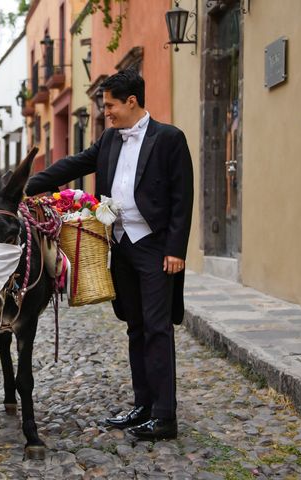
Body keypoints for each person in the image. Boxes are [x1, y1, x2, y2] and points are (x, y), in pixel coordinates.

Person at [25, 69, 194, 441]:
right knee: (135, 326)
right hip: (121, 244)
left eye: (111, 106)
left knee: (157, 328)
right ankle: (143, 406)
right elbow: (72, 165)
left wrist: (175, 250)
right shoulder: (109, 140)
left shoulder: (170, 139)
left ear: (131, 101)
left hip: (154, 247)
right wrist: (22, 185)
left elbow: (183, 198)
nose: (107, 113)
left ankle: (165, 416)